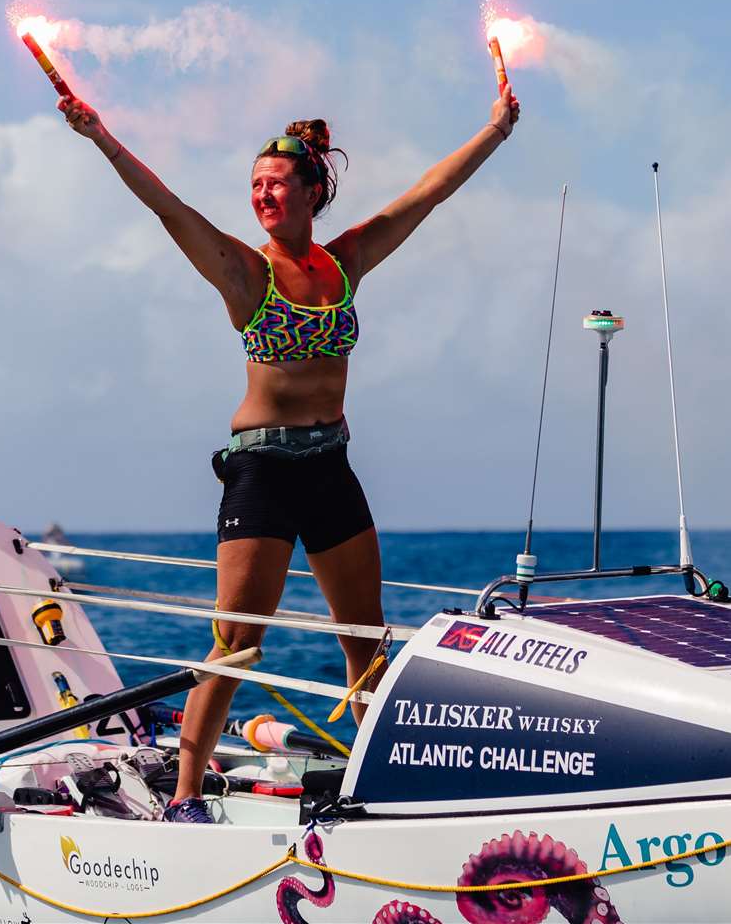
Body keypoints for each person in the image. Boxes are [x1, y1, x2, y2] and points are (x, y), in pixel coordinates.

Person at [60, 81, 518, 822]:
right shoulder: (247, 272)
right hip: (263, 468)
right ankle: (184, 797)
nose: (262, 195)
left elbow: (426, 195)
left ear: (312, 191)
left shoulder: (345, 263)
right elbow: (168, 207)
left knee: (363, 637)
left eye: (276, 183)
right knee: (236, 643)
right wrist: (101, 137)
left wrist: (495, 130)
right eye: (254, 186)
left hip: (329, 464)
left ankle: (381, 793)